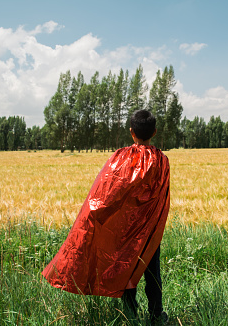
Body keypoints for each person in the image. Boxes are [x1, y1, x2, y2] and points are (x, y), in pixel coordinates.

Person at [42, 109, 170, 323]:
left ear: (131, 132)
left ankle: (130, 313)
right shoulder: (161, 160)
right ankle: (156, 315)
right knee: (152, 271)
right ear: (154, 132)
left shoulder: (120, 157)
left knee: (127, 267)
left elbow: (107, 191)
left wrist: (94, 217)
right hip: (149, 230)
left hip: (124, 230)